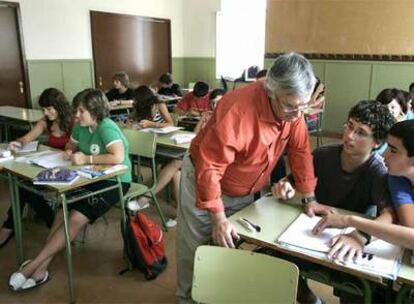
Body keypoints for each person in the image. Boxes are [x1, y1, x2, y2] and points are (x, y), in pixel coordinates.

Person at [177, 52, 323, 303]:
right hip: (205, 180)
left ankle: (223, 296)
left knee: (236, 248)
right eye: (290, 106)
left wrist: (309, 197)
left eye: (303, 106)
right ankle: (188, 299)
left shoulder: (294, 110)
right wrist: (219, 217)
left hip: (245, 186)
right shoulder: (238, 109)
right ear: (270, 90)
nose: (297, 115)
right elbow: (210, 167)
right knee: (198, 249)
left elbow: (300, 152)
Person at [8, 89, 131, 291]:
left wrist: (87, 159)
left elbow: (117, 157)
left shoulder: (106, 127)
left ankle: (32, 266)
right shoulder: (81, 127)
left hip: (115, 180)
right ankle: (42, 268)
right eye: (76, 111)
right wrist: (68, 151)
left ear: (95, 110)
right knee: (60, 213)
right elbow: (70, 146)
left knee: (74, 218)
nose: (76, 115)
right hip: (88, 177)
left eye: (81, 111)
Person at [273, 100, 394, 303]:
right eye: (349, 125)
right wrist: (284, 186)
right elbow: (293, 180)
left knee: (358, 291)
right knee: (277, 263)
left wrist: (360, 236)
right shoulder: (322, 155)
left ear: (378, 143)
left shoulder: (378, 172)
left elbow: (389, 216)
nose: (349, 136)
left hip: (347, 242)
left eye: (361, 133)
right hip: (310, 234)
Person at [313, 119, 414, 250]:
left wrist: (349, 221)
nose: (384, 155)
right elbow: (409, 227)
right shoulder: (397, 178)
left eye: (393, 151)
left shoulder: (384, 171)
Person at [0, 88, 73, 249]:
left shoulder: (73, 121)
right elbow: (28, 137)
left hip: (70, 169)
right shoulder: (46, 121)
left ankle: (10, 226)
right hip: (51, 165)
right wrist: (18, 143)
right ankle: (52, 220)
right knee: (23, 184)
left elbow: (77, 148)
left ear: (59, 106)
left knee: (24, 188)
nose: (46, 113)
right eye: (44, 110)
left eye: (49, 109)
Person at [128, 85, 179, 228]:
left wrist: (152, 124)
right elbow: (130, 120)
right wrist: (131, 123)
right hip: (149, 146)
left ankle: (146, 197)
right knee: (176, 169)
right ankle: (180, 213)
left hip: (165, 144)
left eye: (136, 100)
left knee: (176, 164)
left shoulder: (159, 105)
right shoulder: (139, 108)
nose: (134, 102)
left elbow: (171, 123)